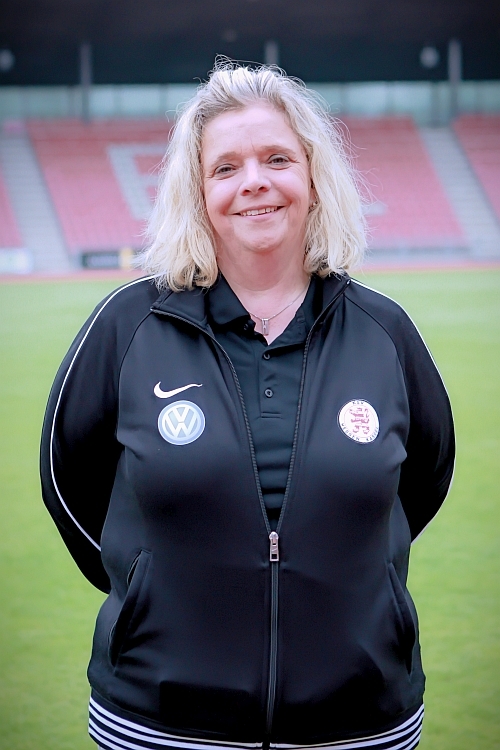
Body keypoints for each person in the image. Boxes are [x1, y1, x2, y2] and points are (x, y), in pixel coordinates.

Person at [40, 62, 455, 750]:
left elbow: (424, 480)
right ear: (198, 193)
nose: (254, 181)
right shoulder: (126, 326)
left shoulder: (385, 332)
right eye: (225, 168)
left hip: (360, 717)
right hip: (161, 718)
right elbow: (67, 483)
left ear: (314, 177)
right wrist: (143, 584)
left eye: (277, 159)